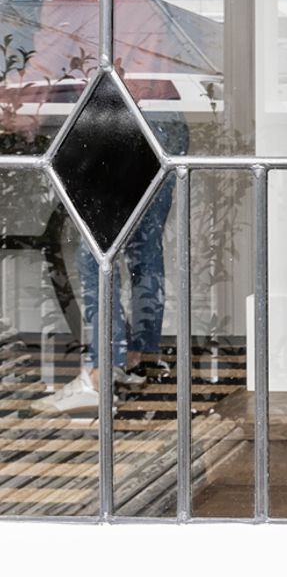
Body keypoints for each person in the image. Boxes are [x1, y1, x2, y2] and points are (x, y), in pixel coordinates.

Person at [45, 108, 190, 418]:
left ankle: (102, 373)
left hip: (128, 124)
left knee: (97, 250)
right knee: (144, 248)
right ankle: (137, 359)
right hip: (167, 122)